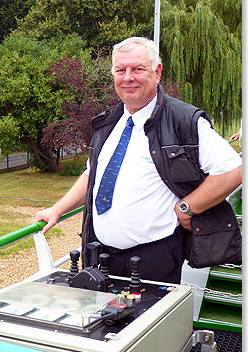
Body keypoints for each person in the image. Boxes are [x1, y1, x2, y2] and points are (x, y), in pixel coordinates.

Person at [33, 37, 242, 285]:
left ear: (157, 72)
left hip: (154, 258)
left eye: (137, 69)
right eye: (120, 70)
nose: (127, 77)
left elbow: (233, 169)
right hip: (100, 255)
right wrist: (57, 209)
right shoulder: (108, 123)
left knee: (148, 324)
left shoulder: (184, 121)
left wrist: (187, 207)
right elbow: (93, 174)